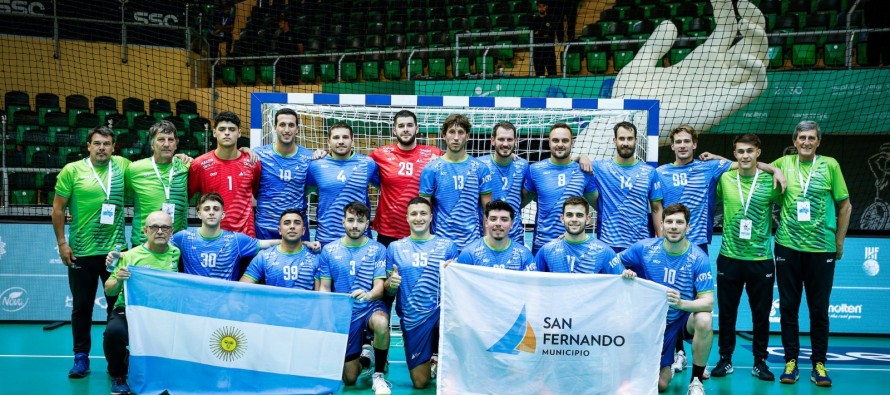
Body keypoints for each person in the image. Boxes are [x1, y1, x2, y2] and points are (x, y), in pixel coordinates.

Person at [771, 121, 851, 387]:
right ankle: (791, 361)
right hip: (787, 247)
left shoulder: (830, 165)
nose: (806, 142)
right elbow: (752, 163)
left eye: (811, 138)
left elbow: (846, 206)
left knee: (819, 310)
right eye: (801, 137)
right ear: (794, 141)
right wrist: (716, 158)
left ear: (818, 142)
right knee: (789, 308)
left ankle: (819, 364)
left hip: (822, 249)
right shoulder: (783, 163)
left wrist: (839, 242)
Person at [52, 126, 129, 379]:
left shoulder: (122, 166)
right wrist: (62, 243)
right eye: (97, 143)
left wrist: (183, 158)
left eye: (107, 144)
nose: (102, 148)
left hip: (116, 252)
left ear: (113, 146)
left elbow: (153, 165)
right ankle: (81, 358)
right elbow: (58, 209)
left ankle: (114, 359)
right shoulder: (72, 170)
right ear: (88, 145)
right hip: (82, 252)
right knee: (82, 307)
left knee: (115, 309)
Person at [617, 203, 714, 395]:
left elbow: (708, 302)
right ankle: (666, 362)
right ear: (661, 225)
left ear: (688, 227)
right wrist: (624, 272)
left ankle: (695, 380)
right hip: (653, 321)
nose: (674, 226)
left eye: (679, 222)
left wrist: (681, 304)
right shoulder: (645, 248)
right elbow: (615, 260)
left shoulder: (698, 257)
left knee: (704, 319)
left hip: (682, 319)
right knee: (660, 385)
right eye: (669, 222)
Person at [709, 133, 781, 381]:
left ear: (758, 153)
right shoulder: (725, 179)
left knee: (761, 315)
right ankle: (725, 359)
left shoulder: (770, 181)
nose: (745, 156)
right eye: (740, 151)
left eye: (750, 151)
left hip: (761, 259)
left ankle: (760, 362)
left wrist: (774, 171)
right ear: (734, 154)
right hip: (729, 256)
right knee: (727, 313)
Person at [384, 197, 459, 388]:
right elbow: (388, 290)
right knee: (420, 382)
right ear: (407, 218)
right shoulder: (395, 248)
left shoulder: (447, 246)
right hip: (413, 318)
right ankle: (429, 361)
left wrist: (455, 273)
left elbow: (457, 286)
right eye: (414, 214)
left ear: (431, 217)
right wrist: (391, 284)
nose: (419, 218)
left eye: (423, 213)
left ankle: (440, 357)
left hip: (442, 315)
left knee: (454, 378)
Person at [103, 211, 180, 395]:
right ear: (145, 231)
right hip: (129, 310)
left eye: (165, 227)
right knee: (114, 332)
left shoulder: (176, 253)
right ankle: (118, 375)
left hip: (162, 313)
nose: (159, 231)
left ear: (171, 232)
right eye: (154, 227)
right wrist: (119, 279)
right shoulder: (129, 256)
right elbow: (109, 289)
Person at [317, 202, 391, 395]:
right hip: (344, 313)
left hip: (370, 306)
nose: (355, 225)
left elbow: (379, 287)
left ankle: (379, 375)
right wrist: (327, 317)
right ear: (343, 222)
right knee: (349, 379)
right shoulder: (330, 250)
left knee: (382, 323)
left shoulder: (377, 249)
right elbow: (324, 287)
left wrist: (368, 295)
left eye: (360, 221)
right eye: (351, 220)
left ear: (367, 224)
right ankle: (367, 359)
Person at [419, 114, 494, 250]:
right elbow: (423, 211)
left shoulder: (481, 168)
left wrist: (487, 244)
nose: (456, 137)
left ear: (467, 136)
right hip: (441, 244)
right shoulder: (431, 169)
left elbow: (487, 211)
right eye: (452, 132)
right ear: (443, 135)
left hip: (472, 244)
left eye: (460, 132)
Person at [368, 110, 443, 248]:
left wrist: (440, 163)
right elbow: (357, 166)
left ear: (417, 128)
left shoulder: (434, 154)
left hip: (423, 230)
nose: (406, 129)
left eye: (409, 125)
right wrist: (325, 154)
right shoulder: (380, 154)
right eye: (401, 126)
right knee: (388, 270)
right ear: (394, 130)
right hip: (388, 231)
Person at [522, 123, 597, 255]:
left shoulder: (584, 171)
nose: (560, 144)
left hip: (574, 244)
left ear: (572, 143)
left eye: (565, 140)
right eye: (555, 140)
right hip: (543, 244)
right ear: (549, 143)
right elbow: (520, 202)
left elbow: (599, 205)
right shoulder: (535, 170)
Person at [171, 193, 279, 280]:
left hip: (224, 301)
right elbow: (160, 245)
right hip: (193, 299)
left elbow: (267, 243)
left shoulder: (236, 240)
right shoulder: (183, 237)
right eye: (207, 209)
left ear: (223, 214)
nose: (211, 212)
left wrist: (294, 242)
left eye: (216, 209)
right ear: (199, 214)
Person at [592, 121, 664, 252]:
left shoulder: (649, 172)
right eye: (621, 138)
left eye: (630, 138)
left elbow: (656, 209)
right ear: (614, 141)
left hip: (640, 244)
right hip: (608, 244)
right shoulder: (600, 168)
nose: (626, 143)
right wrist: (581, 157)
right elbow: (572, 165)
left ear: (636, 140)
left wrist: (661, 240)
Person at [189, 111, 261, 237]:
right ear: (214, 132)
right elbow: (186, 198)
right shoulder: (199, 164)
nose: (227, 133)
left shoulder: (253, 163)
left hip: (246, 238)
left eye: (232, 129)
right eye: (222, 129)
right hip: (213, 237)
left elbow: (257, 194)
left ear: (239, 133)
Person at [308, 122, 380, 246]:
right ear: (328, 141)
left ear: (352, 141)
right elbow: (304, 193)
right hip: (327, 238)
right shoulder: (316, 165)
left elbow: (387, 188)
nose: (341, 141)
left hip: (360, 237)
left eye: (345, 137)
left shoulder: (367, 164)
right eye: (336, 137)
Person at [126, 120, 190, 246]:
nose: (166, 144)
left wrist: (241, 150)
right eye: (161, 139)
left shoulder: (186, 166)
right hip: (143, 243)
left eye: (170, 140)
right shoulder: (134, 169)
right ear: (152, 144)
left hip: (176, 244)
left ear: (176, 144)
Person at [254, 108, 314, 240]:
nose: (287, 130)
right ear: (274, 127)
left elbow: (311, 188)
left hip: (296, 229)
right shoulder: (259, 155)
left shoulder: (310, 158)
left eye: (291, 125)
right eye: (282, 125)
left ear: (297, 129)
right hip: (265, 228)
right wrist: (244, 149)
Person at [534, 196, 620, 274]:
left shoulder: (604, 251)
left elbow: (621, 280)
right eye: (569, 215)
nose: (574, 219)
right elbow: (532, 281)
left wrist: (628, 275)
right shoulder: (546, 251)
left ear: (588, 219)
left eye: (579, 215)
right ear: (562, 219)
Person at [477, 121, 530, 245]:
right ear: (493, 140)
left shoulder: (523, 165)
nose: (505, 144)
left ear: (515, 141)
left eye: (509, 139)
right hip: (486, 235)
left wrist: (578, 158)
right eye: (501, 139)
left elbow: (527, 195)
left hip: (515, 237)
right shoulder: (480, 165)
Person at [240, 209, 319, 291]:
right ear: (279, 230)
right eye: (287, 223)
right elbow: (241, 289)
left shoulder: (315, 258)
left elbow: (320, 297)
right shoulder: (263, 257)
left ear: (303, 231)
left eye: (297, 223)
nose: (292, 226)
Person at [456, 200, 535, 271]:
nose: (498, 224)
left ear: (511, 224)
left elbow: (532, 285)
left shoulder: (524, 255)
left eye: (504, 220)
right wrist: (451, 268)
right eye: (493, 219)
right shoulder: (469, 254)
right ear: (486, 223)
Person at [531, 1, 557, 77]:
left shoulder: (552, 18)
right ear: (537, 8)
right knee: (539, 76)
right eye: (539, 6)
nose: (541, 8)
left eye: (543, 6)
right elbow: (533, 34)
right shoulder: (534, 20)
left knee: (552, 75)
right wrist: (545, 32)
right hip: (538, 52)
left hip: (549, 50)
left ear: (546, 7)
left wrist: (539, 32)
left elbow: (552, 33)